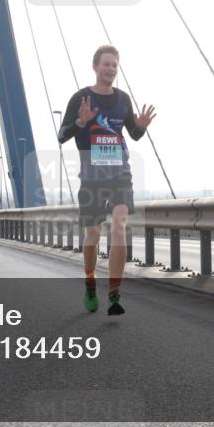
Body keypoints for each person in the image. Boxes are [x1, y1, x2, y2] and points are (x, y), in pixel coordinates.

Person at [58, 45, 155, 315]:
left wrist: (141, 127)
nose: (111, 68)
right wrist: (81, 121)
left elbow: (133, 134)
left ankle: (114, 293)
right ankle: (90, 281)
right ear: (95, 66)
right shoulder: (81, 97)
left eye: (114, 64)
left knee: (119, 224)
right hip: (92, 177)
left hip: (120, 173)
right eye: (106, 64)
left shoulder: (123, 99)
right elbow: (61, 135)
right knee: (93, 233)